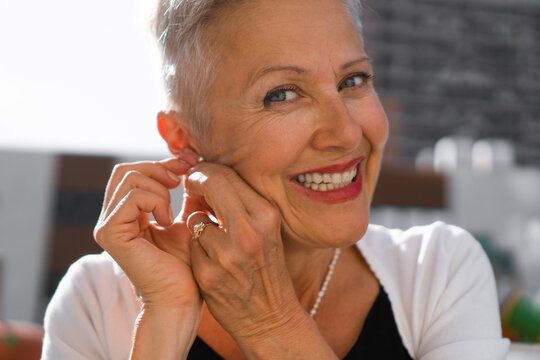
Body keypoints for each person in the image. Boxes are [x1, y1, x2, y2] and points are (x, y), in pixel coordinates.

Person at [41, 0, 510, 358]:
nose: (346, 132)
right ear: (184, 138)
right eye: (282, 94)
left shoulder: (438, 272)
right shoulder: (97, 301)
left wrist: (270, 323)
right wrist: (163, 323)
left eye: (353, 81)